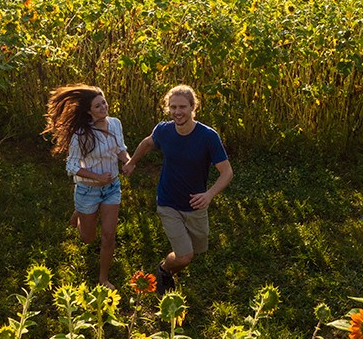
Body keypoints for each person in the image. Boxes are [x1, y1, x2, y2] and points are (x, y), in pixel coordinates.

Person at [126, 84, 232, 294]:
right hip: (168, 201)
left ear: (193, 107)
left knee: (198, 249)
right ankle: (164, 270)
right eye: (173, 107)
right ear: (168, 108)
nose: (177, 112)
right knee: (185, 256)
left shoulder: (208, 137)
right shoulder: (163, 130)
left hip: (195, 204)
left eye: (182, 107)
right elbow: (148, 143)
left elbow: (227, 172)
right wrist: (132, 162)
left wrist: (209, 194)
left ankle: (177, 258)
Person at [45, 84, 130, 289]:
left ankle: (103, 279)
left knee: (109, 235)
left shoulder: (115, 124)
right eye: (98, 106)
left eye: (104, 103)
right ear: (88, 111)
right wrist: (97, 177)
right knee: (87, 238)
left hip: (111, 188)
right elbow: (72, 166)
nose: (104, 108)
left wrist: (127, 160)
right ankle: (80, 211)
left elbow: (120, 148)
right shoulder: (81, 134)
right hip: (87, 189)